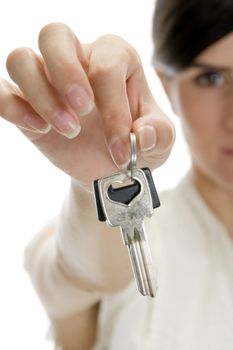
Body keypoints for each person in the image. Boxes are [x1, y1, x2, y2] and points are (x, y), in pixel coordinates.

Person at [1, 0, 233, 349]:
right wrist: (92, 184)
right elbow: (70, 277)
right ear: (167, 85)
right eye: (211, 78)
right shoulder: (154, 235)